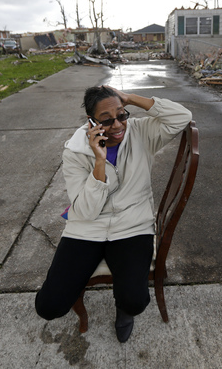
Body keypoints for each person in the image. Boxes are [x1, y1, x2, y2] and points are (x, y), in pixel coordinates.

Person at [35, 85, 192, 342]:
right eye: (107, 120)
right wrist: (99, 161)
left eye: (122, 114)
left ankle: (124, 311)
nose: (118, 125)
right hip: (87, 228)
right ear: (91, 122)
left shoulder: (141, 132)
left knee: (135, 302)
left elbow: (181, 116)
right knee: (48, 307)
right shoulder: (75, 151)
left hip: (132, 226)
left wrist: (129, 98)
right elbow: (85, 210)